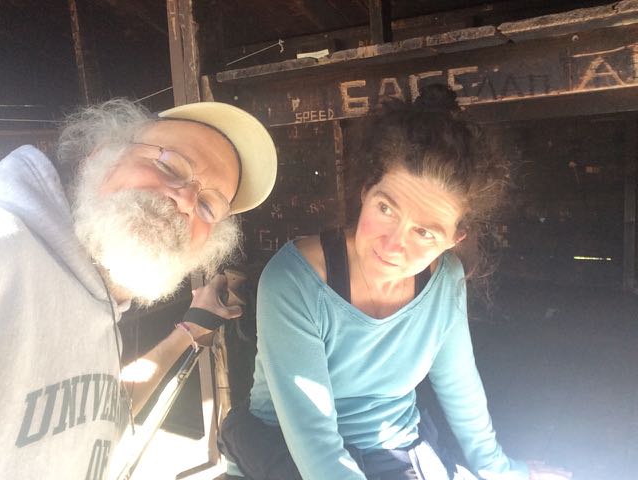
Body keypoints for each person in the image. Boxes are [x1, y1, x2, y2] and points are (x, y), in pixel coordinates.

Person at [219, 86, 571, 480]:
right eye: (386, 209)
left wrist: (501, 470)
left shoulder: (445, 280)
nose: (392, 245)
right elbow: (316, 444)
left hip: (394, 448)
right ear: (366, 192)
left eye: (425, 232)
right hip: (285, 449)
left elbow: (460, 385)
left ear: (454, 239)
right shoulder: (294, 281)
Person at [0, 98, 277, 479]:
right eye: (169, 165)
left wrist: (189, 330)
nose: (186, 200)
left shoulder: (98, 307)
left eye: (208, 207)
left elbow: (101, 413)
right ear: (99, 156)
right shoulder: (8, 249)